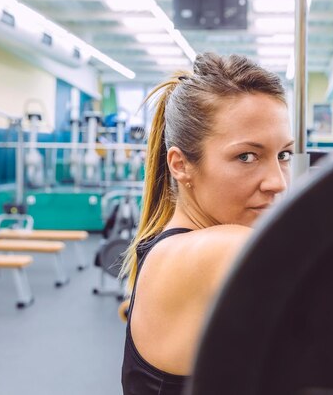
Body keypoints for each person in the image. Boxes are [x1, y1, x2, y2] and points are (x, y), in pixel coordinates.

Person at [120, 52, 293, 395]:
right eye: (247, 156)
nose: (278, 182)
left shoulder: (171, 246)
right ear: (181, 165)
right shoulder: (216, 252)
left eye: (283, 155)